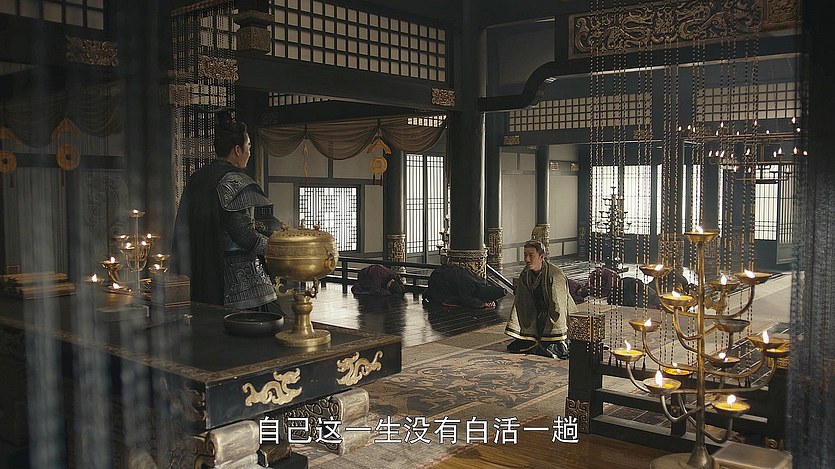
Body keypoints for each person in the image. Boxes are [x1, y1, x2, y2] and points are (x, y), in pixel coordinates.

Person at [171, 109, 282, 316]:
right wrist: (279, 248)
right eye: (249, 146)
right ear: (238, 150)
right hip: (238, 281)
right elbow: (244, 234)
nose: (250, 152)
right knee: (271, 322)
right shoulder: (235, 181)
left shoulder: (197, 177)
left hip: (200, 269)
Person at [505, 240, 576, 359]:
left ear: (541, 257)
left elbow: (558, 306)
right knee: (522, 344)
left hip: (561, 317)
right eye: (525, 255)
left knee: (551, 348)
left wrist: (556, 331)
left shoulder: (555, 275)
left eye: (531, 255)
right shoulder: (525, 274)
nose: (527, 259)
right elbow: (522, 302)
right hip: (539, 316)